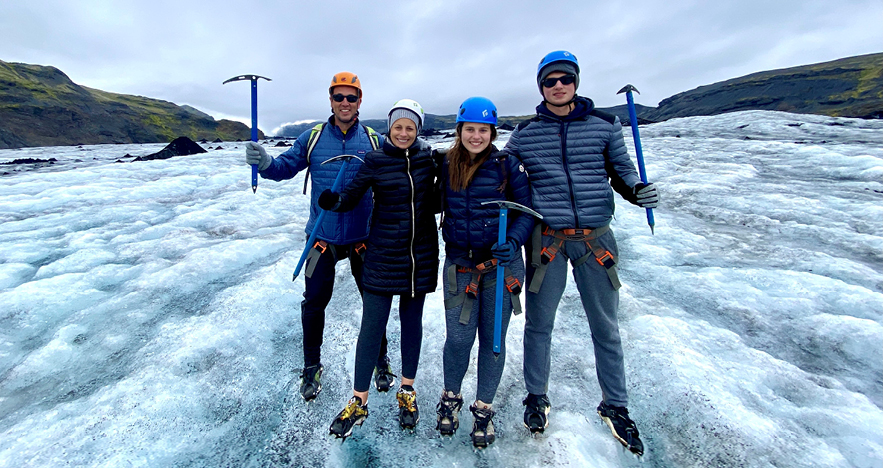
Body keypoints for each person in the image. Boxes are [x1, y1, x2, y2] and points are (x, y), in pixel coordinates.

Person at [503, 51, 659, 456]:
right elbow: (499, 170)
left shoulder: (604, 125)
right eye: (549, 81)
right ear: (541, 87)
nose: (558, 86)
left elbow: (621, 170)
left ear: (575, 82)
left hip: (596, 239)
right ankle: (536, 396)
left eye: (564, 79)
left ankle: (616, 405)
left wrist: (636, 191)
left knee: (605, 326)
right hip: (548, 240)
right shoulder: (525, 133)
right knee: (539, 325)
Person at [244, 72, 395, 402]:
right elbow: (285, 167)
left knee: (375, 302)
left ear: (359, 101)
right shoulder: (312, 137)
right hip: (321, 238)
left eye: (351, 97)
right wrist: (266, 162)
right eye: (338, 97)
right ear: (330, 100)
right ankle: (312, 366)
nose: (345, 103)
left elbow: (398, 167)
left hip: (363, 239)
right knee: (313, 303)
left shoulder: (372, 139)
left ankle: (380, 360)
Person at [318, 99, 440, 439]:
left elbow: (446, 195)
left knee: (411, 322)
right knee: (372, 326)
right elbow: (353, 197)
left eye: (410, 127)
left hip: (420, 256)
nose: (403, 133)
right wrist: (335, 202)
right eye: (398, 126)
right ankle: (359, 400)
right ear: (390, 128)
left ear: (418, 131)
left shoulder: (429, 160)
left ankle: (407, 391)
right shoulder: (375, 160)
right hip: (383, 254)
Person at [434, 97, 536, 448]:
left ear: (492, 132)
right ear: (459, 130)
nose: (476, 136)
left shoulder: (508, 165)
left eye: (483, 130)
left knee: (493, 341)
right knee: (460, 339)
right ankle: (450, 397)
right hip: (461, 265)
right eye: (469, 129)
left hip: (501, 266)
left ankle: (483, 409)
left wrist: (515, 240)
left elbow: (526, 212)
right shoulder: (445, 165)